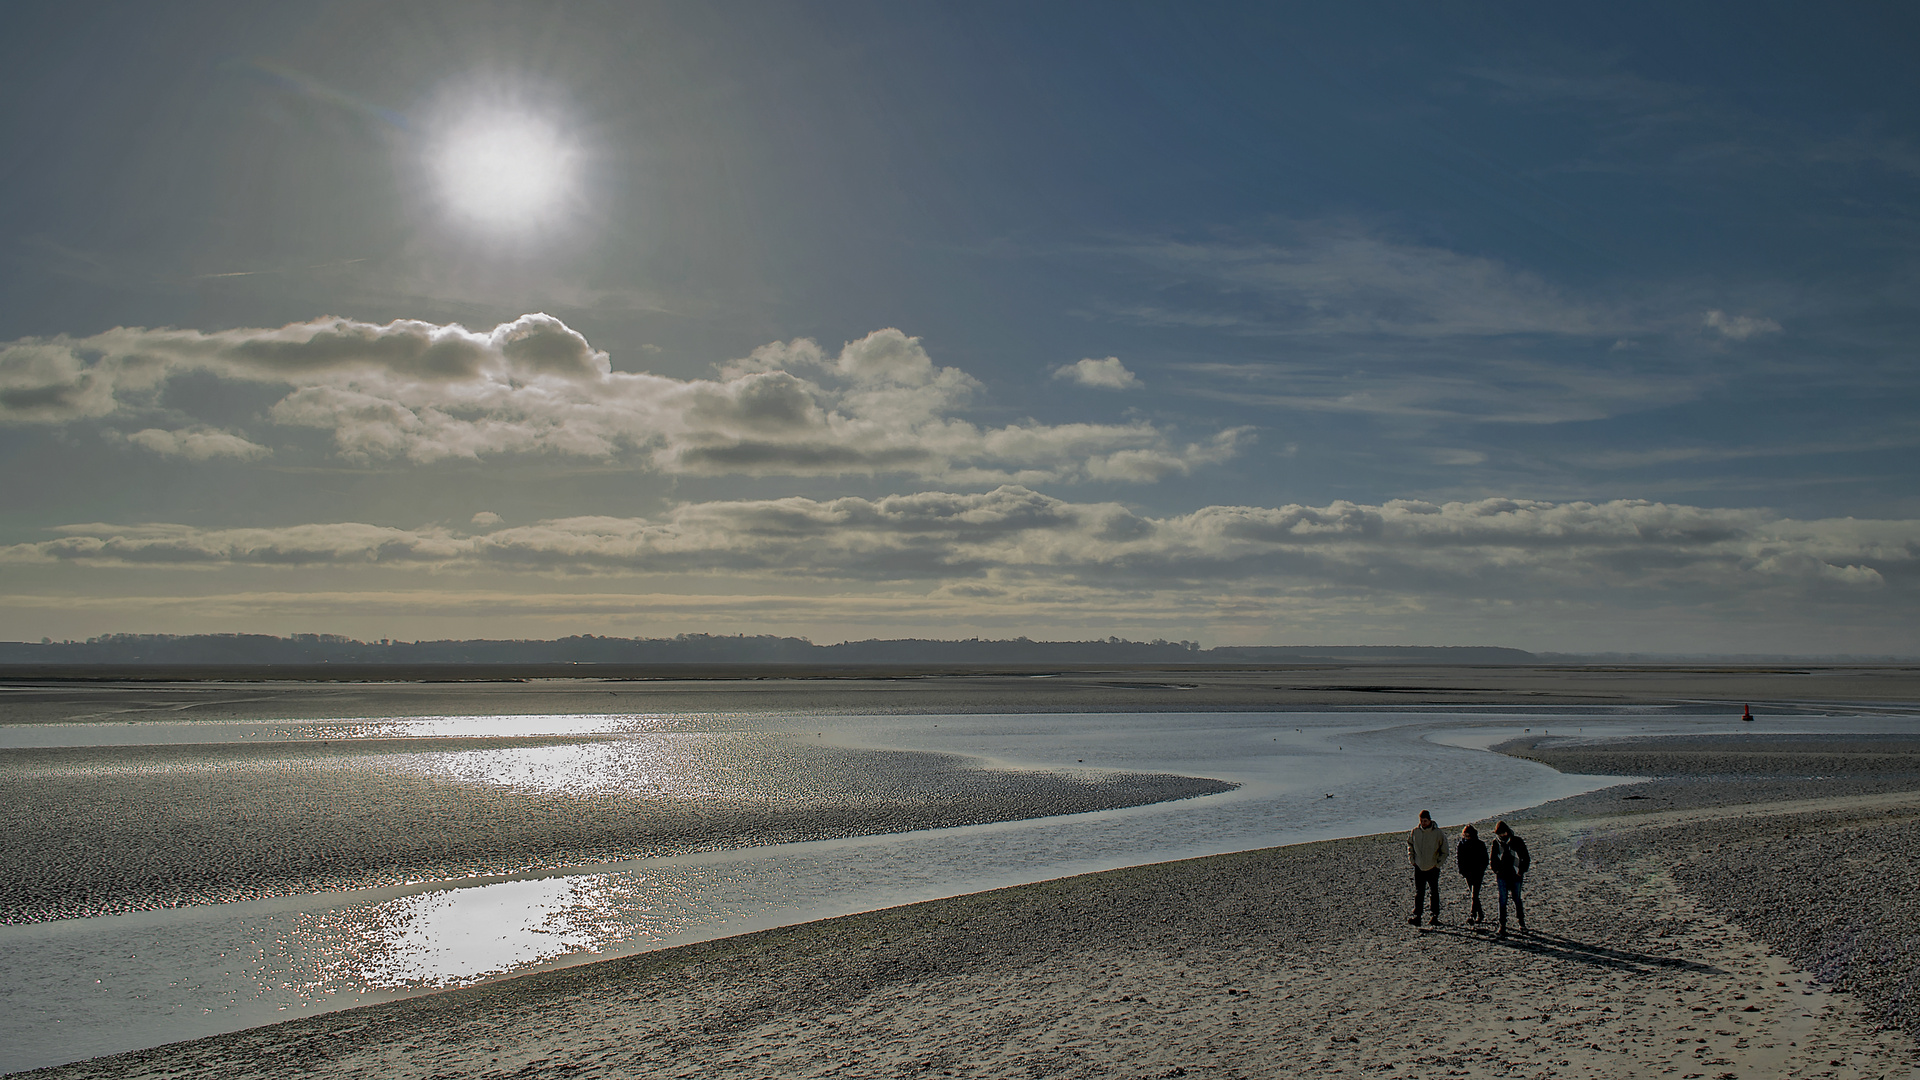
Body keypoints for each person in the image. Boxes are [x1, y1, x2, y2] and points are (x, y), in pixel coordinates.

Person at [1406, 809, 1449, 926]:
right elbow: (1410, 845)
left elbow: (1444, 851)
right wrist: (1412, 859)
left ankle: (1434, 916)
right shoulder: (1415, 832)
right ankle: (1418, 916)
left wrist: (1438, 864)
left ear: (1429, 820)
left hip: (1433, 867)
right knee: (1419, 893)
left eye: (1425, 821)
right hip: (1419, 867)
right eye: (1421, 821)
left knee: (1434, 892)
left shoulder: (1438, 833)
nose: (1423, 823)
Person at [1490, 820, 1531, 938]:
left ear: (1507, 831)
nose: (1502, 836)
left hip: (1516, 875)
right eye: (1499, 834)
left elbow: (1525, 857)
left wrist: (1521, 871)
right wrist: (1496, 870)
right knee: (1502, 900)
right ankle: (1502, 925)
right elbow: (1493, 859)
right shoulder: (1496, 843)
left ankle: (1521, 923)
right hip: (1502, 876)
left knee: (1517, 899)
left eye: (1503, 833)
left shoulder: (1517, 841)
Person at [1456, 824, 1488, 924]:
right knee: (1474, 894)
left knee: (1474, 894)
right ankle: (1480, 914)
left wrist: (1481, 869)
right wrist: (1462, 870)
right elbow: (1459, 859)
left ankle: (1473, 914)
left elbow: (1485, 859)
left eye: (1468, 835)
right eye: (1465, 835)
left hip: (1478, 872)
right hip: (1468, 873)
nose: (1466, 837)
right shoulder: (1461, 844)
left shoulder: (1479, 844)